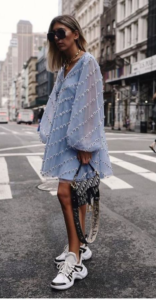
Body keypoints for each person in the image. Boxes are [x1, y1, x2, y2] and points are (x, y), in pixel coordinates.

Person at [39, 15, 113, 290]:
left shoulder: (87, 62)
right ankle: (78, 246)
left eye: (60, 33)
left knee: (65, 193)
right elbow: (58, 102)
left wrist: (85, 144)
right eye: (52, 35)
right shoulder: (65, 67)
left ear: (75, 33)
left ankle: (75, 260)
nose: (57, 39)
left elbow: (91, 104)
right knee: (78, 196)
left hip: (80, 142)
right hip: (65, 141)